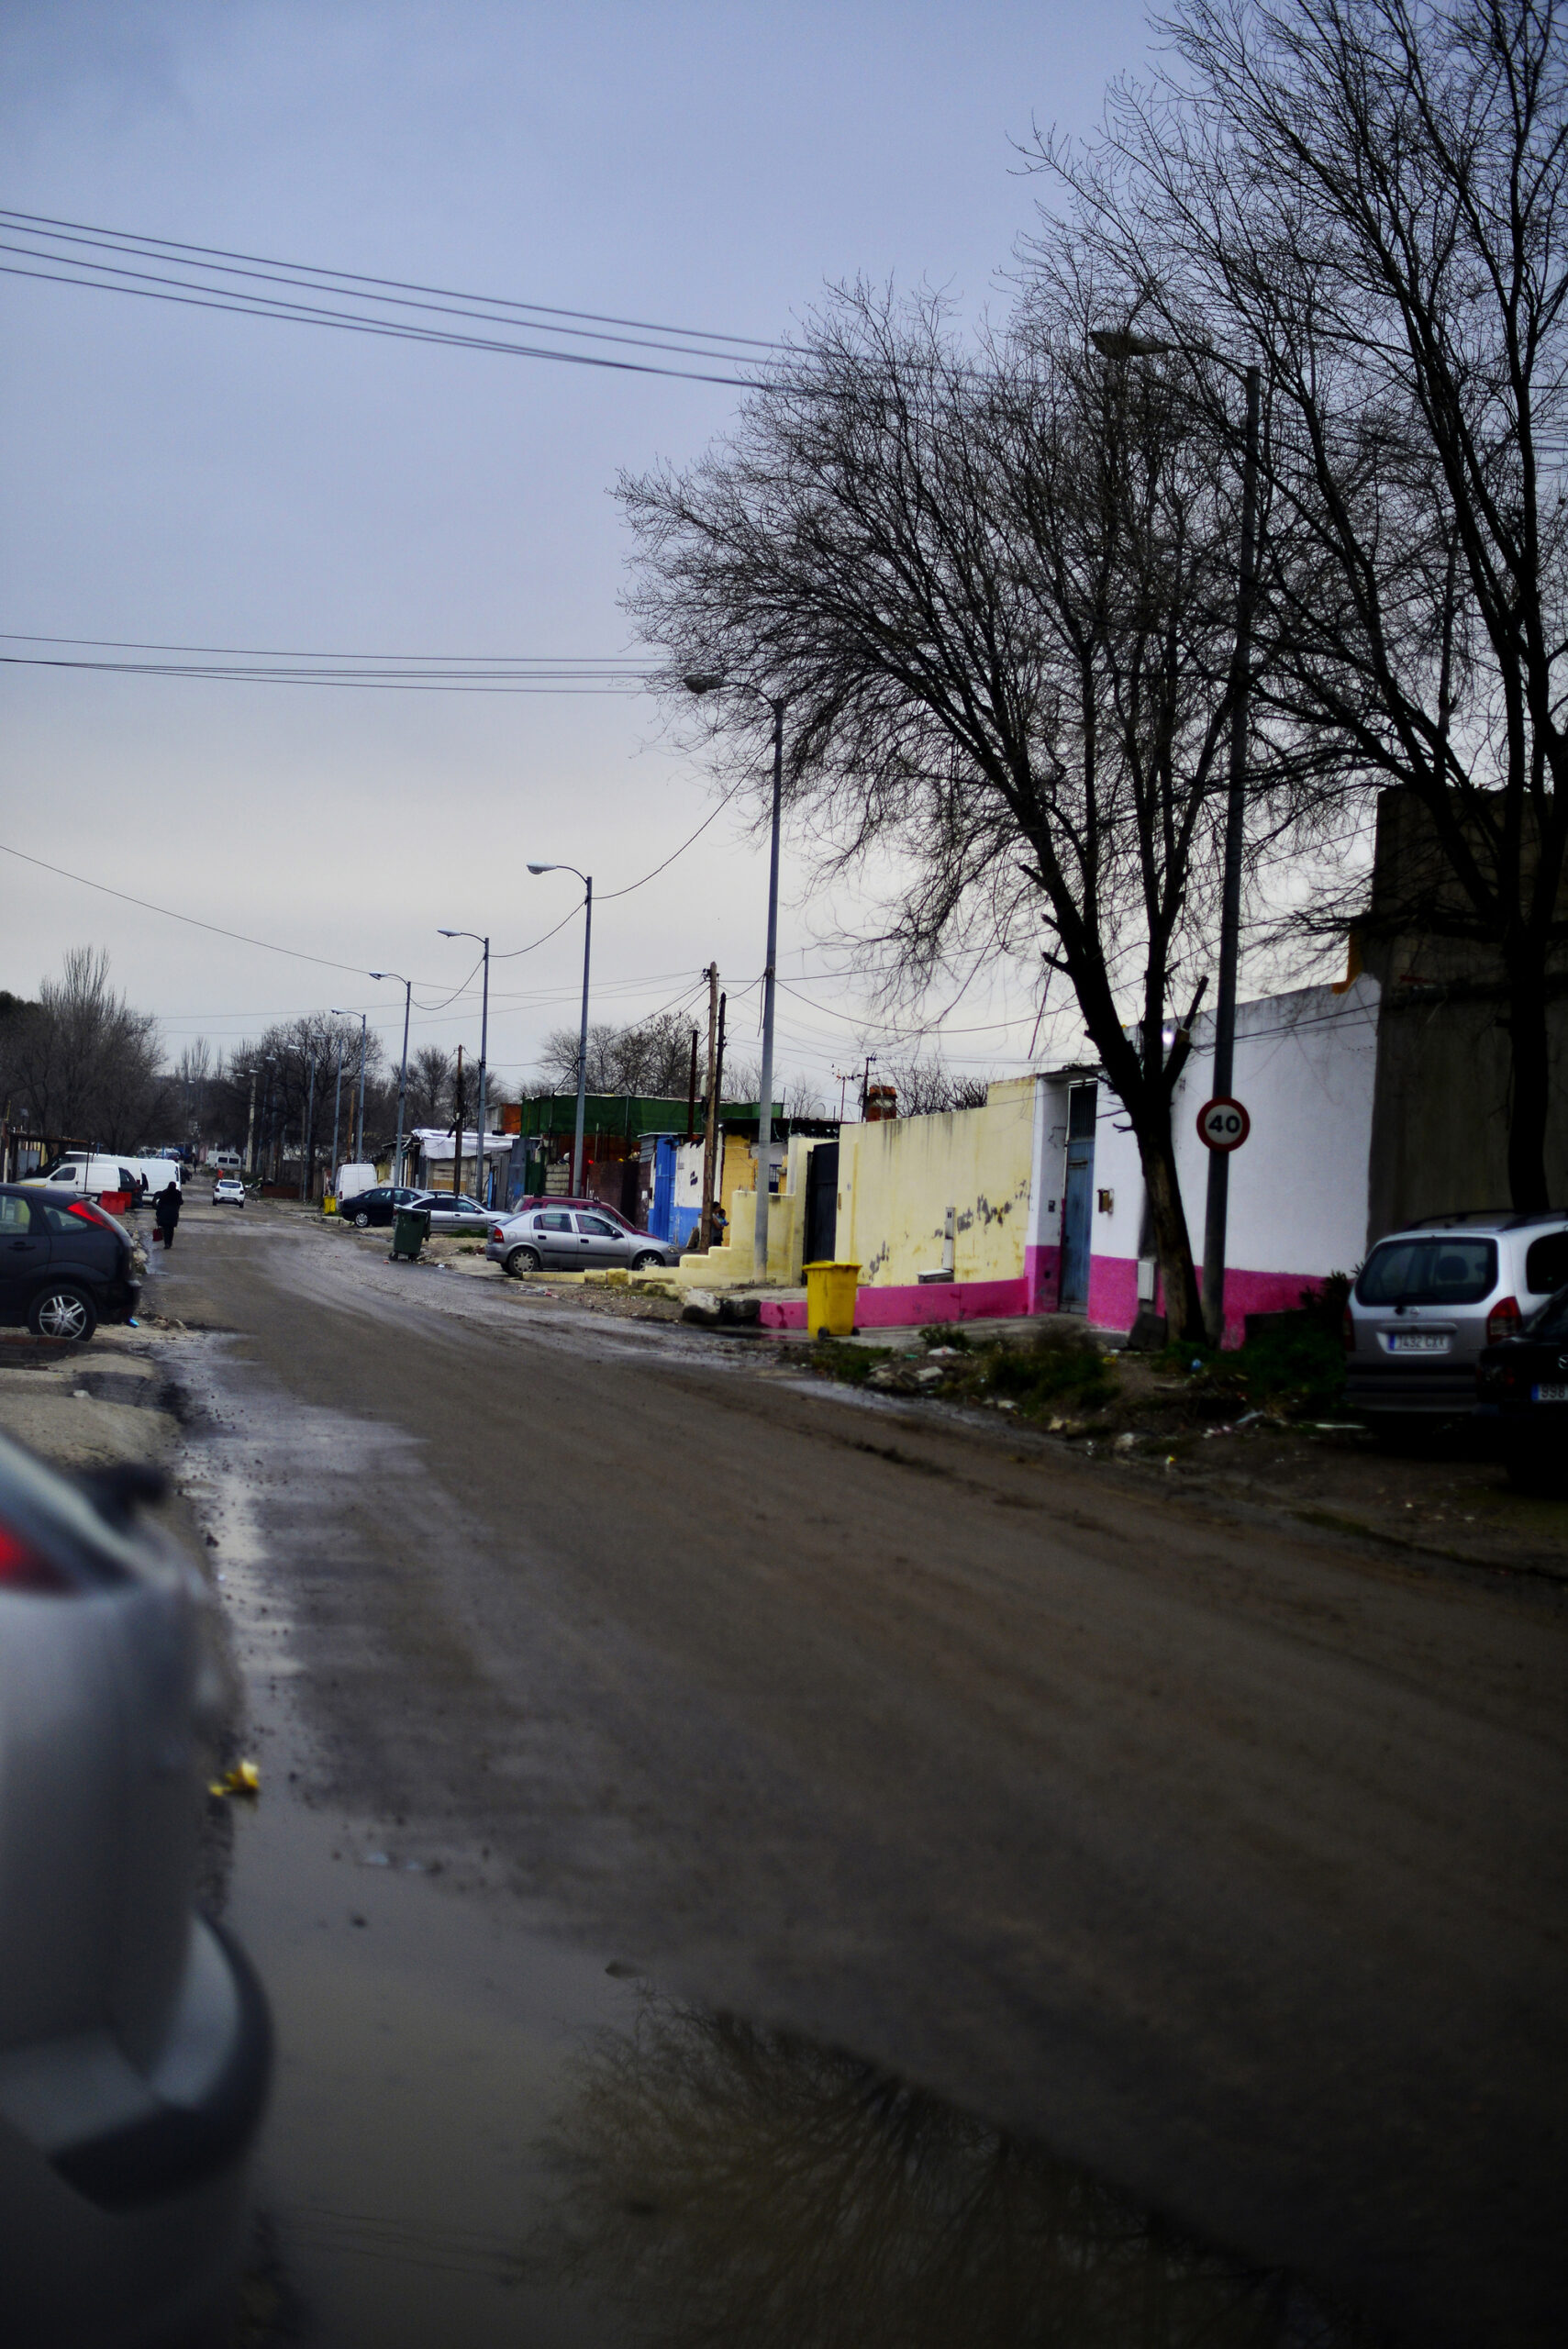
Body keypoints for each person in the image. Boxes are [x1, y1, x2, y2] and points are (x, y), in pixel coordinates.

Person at [154, 1179, 182, 1251]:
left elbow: (160, 1204)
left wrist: (157, 1213)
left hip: (164, 1213)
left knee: (165, 1228)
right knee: (171, 1228)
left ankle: (166, 1243)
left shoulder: (164, 1192)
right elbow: (181, 1202)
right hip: (173, 1213)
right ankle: (170, 1242)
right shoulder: (177, 1193)